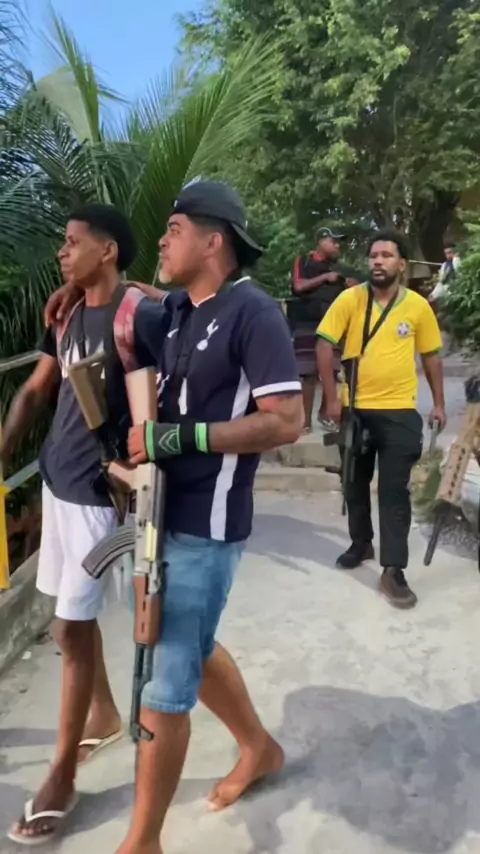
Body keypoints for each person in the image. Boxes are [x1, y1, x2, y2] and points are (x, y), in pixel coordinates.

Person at [42, 180, 304, 854]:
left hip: (206, 524)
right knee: (188, 644)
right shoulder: (180, 309)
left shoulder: (254, 314)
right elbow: (125, 297)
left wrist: (179, 438)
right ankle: (259, 747)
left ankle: (142, 842)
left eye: (175, 229)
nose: (160, 239)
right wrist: (75, 289)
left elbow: (286, 421)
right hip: (156, 510)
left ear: (213, 241)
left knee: (161, 685)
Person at [4, 204, 168, 847]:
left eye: (73, 243)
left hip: (102, 497)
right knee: (66, 623)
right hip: (57, 483)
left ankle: (63, 776)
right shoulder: (69, 313)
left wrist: (154, 293)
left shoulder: (138, 315)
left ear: (108, 250)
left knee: (71, 627)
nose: (61, 252)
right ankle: (102, 714)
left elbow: (199, 331)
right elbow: (35, 389)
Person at [317, 228, 446, 610]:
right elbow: (324, 344)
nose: (377, 261)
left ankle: (393, 569)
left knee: (393, 491)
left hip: (400, 411)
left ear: (402, 264)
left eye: (386, 255)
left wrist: (439, 404)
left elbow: (431, 356)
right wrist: (331, 399)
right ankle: (361, 543)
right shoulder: (350, 299)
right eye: (373, 255)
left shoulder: (417, 307)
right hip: (355, 408)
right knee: (353, 482)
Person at [290, 227, 347, 431]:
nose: (338, 245)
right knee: (308, 373)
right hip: (307, 322)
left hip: (333, 325)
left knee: (331, 370)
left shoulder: (339, 268)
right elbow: (298, 286)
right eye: (334, 241)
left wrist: (349, 283)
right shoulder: (304, 261)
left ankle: (325, 415)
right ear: (322, 241)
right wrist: (324, 278)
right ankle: (305, 421)